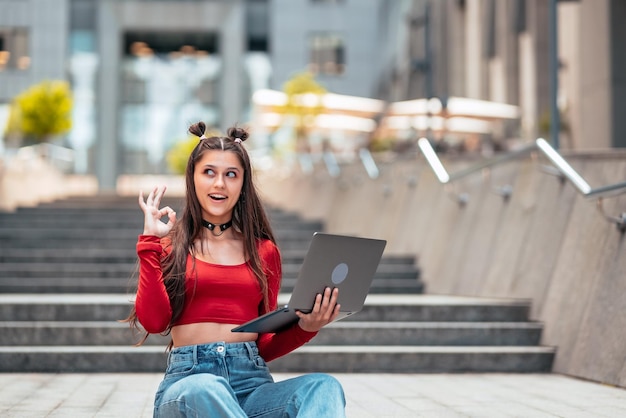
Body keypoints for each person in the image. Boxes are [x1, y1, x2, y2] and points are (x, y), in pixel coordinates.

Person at [125, 121, 346, 417]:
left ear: (243, 183)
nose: (220, 184)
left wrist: (308, 327)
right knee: (205, 388)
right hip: (188, 386)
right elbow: (153, 322)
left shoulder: (264, 252)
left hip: (252, 385)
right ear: (193, 178)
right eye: (209, 173)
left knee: (323, 387)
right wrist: (150, 243)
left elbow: (264, 344)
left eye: (231, 174)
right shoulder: (168, 246)